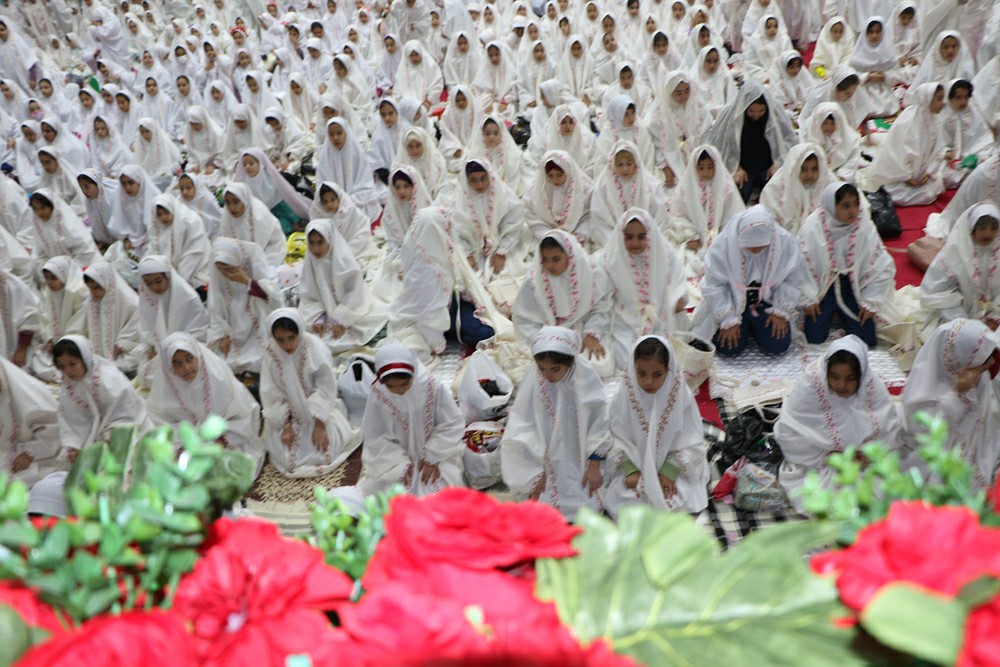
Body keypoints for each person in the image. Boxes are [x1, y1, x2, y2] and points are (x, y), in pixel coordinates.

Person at [775, 335, 902, 513]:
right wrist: (829, 456)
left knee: (888, 490)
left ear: (861, 375)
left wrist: (868, 453)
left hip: (861, 460)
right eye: (834, 377)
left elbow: (887, 428)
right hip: (820, 461)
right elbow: (789, 433)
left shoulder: (870, 384)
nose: (842, 385)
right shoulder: (812, 385)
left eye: (850, 378)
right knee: (828, 500)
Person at [501, 326, 611, 520]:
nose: (548, 375)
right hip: (544, 460)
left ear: (570, 362)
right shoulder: (534, 380)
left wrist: (594, 466)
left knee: (590, 504)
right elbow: (522, 427)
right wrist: (533, 472)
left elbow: (599, 423)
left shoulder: (585, 378)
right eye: (542, 369)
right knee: (540, 506)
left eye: (555, 369)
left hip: (583, 460)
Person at [604, 336, 709, 517]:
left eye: (657, 374)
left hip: (671, 471)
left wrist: (670, 470)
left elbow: (692, 441)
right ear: (632, 369)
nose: (648, 382)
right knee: (624, 500)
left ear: (669, 371)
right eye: (641, 373)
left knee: (677, 497)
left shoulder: (680, 397)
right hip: (634, 470)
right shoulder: (623, 399)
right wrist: (630, 470)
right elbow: (613, 437)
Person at [388, 207, 502, 358]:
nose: (447, 234)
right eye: (443, 229)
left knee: (486, 325)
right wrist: (436, 342)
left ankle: (455, 328)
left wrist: (467, 292)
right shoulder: (422, 269)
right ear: (433, 230)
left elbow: (459, 276)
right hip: (438, 315)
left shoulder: (436, 249)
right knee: (484, 333)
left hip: (450, 303)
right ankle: (453, 331)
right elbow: (428, 312)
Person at [260, 309, 362, 478]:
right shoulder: (271, 355)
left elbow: (325, 386)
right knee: (286, 457)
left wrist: (319, 425)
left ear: (300, 331)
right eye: (281, 340)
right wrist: (285, 426)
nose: (287, 346)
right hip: (287, 415)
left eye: (292, 338)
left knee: (325, 451)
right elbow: (271, 394)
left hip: (318, 412)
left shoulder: (314, 347)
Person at [901, 318, 1000, 490]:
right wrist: (957, 394)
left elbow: (987, 421)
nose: (990, 364)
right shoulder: (925, 383)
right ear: (958, 357)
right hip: (934, 453)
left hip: (974, 448)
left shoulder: (978, 375)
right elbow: (923, 431)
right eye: (983, 361)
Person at [147, 332, 264, 477]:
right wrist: (181, 445)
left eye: (189, 359)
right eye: (178, 363)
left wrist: (220, 439)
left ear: (198, 355)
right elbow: (159, 423)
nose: (187, 367)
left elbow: (242, 415)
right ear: (168, 367)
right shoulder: (166, 387)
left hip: (224, 441)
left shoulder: (218, 378)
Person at [359, 341, 465, 496]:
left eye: (404, 384)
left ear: (413, 374)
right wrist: (400, 465)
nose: (399, 391)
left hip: (436, 454)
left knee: (441, 493)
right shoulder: (379, 392)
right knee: (387, 496)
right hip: (395, 461)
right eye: (392, 387)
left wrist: (432, 456)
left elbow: (452, 424)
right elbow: (375, 435)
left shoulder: (430, 385)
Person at [694, 206, 803, 356]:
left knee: (778, 344)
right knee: (728, 347)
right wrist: (728, 319)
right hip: (732, 301)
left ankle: (754, 326)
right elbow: (715, 284)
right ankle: (745, 326)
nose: (756, 251)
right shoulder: (724, 245)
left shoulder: (784, 242)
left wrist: (780, 310)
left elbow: (791, 278)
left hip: (767, 302)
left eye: (761, 246)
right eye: (750, 246)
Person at [798, 182, 896, 347]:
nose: (853, 211)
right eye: (845, 206)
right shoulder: (814, 226)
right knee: (814, 336)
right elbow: (800, 265)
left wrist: (871, 300)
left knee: (867, 338)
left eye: (856, 205)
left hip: (852, 285)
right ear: (831, 206)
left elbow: (882, 263)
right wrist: (807, 298)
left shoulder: (863, 224)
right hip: (823, 286)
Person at [513, 231, 614, 375]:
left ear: (569, 255)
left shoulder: (590, 272)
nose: (550, 265)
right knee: (542, 368)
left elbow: (601, 308)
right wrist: (545, 340)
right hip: (548, 333)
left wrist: (592, 332)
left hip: (583, 328)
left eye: (556, 259)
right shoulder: (534, 280)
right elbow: (525, 319)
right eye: (545, 259)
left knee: (599, 364)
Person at [605, 208, 688, 369]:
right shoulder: (611, 259)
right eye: (628, 237)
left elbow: (678, 276)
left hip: (661, 311)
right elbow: (603, 293)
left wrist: (679, 297)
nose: (635, 243)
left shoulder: (663, 250)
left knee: (670, 354)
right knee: (626, 359)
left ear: (649, 235)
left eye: (641, 237)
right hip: (627, 318)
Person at [52, 336, 151, 460]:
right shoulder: (69, 385)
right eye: (62, 367)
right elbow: (70, 419)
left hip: (127, 428)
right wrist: (74, 445)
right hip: (97, 436)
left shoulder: (107, 379)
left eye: (72, 364)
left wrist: (109, 438)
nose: (68, 371)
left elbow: (126, 414)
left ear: (85, 358)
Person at [299, 219, 387, 355]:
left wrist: (341, 317)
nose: (316, 249)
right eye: (312, 243)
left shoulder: (344, 261)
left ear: (329, 240)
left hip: (352, 310)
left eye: (320, 242)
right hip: (325, 312)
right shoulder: (311, 262)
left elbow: (355, 293)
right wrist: (318, 317)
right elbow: (308, 295)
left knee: (358, 330)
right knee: (309, 340)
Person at [702, 80, 797, 203]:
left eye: (761, 111)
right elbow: (718, 144)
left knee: (780, 195)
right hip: (744, 167)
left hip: (767, 165)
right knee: (735, 197)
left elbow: (789, 139)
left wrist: (778, 162)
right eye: (751, 111)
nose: (756, 116)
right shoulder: (730, 115)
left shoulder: (775, 112)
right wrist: (735, 167)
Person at [207, 238, 282, 376]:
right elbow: (216, 312)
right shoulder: (219, 279)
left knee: (264, 358)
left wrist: (247, 281)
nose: (225, 274)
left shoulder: (254, 269)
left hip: (258, 327)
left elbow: (275, 299)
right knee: (216, 361)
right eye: (221, 270)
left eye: (230, 269)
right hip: (231, 331)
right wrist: (222, 334)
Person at [668, 145, 745, 279]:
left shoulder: (725, 186)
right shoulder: (686, 187)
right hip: (695, 239)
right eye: (701, 168)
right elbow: (677, 215)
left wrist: (722, 236)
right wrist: (690, 235)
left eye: (710, 167)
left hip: (721, 237)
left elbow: (734, 215)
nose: (706, 172)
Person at [920, 202, 1000, 331]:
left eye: (993, 229)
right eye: (982, 228)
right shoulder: (955, 252)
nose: (988, 234)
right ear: (972, 228)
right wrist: (964, 323)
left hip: (993, 314)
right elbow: (938, 291)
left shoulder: (997, 251)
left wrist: (995, 317)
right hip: (958, 313)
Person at [866, 82, 947, 207]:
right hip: (900, 175)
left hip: (922, 173)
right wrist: (907, 176)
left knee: (937, 186)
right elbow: (896, 151)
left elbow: (939, 149)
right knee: (912, 194)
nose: (943, 103)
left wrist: (930, 172)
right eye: (939, 99)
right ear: (928, 99)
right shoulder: (909, 119)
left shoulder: (935, 119)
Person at [0, 356, 62, 487]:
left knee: (15, 479)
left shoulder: (28, 393)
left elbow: (53, 428)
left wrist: (30, 454)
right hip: (4, 447)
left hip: (30, 449)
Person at [759, 144, 835, 235]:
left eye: (814, 169)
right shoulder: (774, 189)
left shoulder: (828, 182)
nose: (809, 175)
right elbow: (768, 223)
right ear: (795, 168)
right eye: (804, 169)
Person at [233, 148, 311, 235]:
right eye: (244, 164)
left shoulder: (271, 181)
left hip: (280, 214)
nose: (247, 167)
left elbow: (284, 205)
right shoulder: (244, 185)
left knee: (281, 227)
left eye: (251, 163)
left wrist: (295, 222)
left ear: (260, 164)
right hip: (259, 219)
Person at [82, 262, 141, 375]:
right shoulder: (92, 301)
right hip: (101, 352)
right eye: (90, 289)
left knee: (124, 364)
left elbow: (138, 328)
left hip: (123, 351)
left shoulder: (129, 301)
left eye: (97, 288)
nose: (93, 293)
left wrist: (123, 343)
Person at [523, 151, 593, 243]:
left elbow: (589, 215)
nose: (555, 180)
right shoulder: (536, 190)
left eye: (559, 175)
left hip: (578, 237)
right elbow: (531, 216)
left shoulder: (584, 189)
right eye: (550, 176)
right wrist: (547, 235)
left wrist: (580, 234)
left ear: (568, 171)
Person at [217, 183, 288, 266]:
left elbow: (276, 244)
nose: (231, 207)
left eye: (236, 202)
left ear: (244, 199)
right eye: (227, 203)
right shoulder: (226, 218)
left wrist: (257, 265)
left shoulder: (259, 214)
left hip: (267, 258)